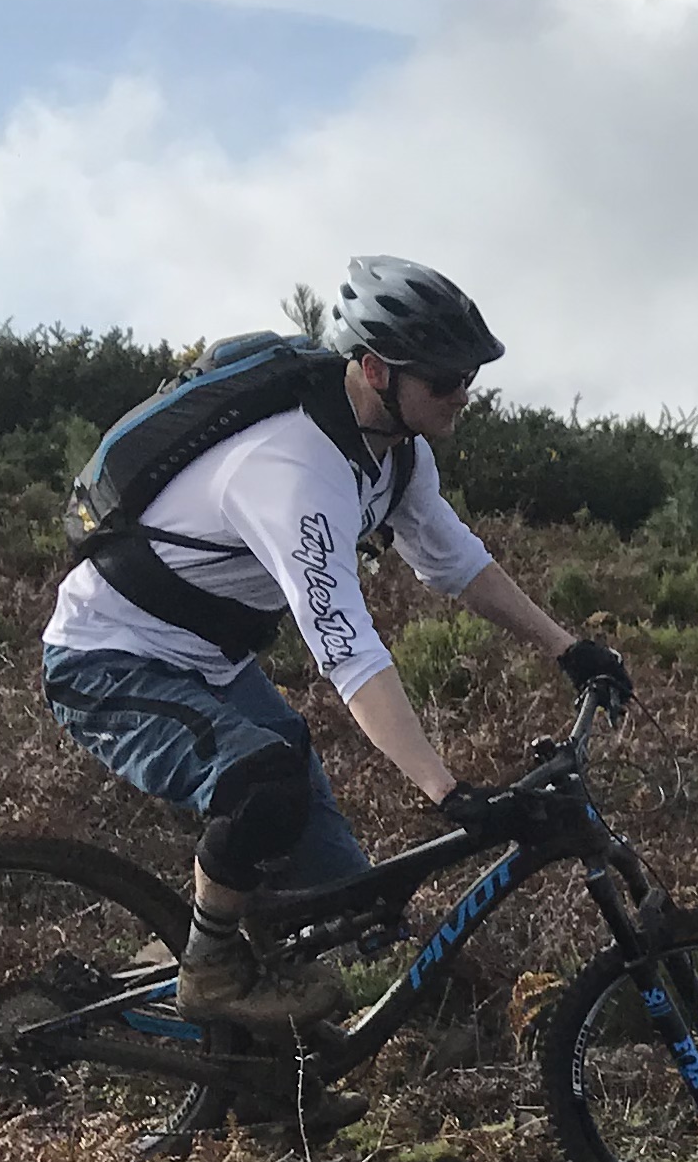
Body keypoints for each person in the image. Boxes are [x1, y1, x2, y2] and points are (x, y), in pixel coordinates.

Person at [38, 256, 630, 1027]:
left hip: (213, 660)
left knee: (344, 905)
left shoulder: (395, 451)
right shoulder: (293, 470)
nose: (463, 394)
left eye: (469, 377)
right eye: (444, 379)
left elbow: (454, 560)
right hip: (108, 660)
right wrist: (443, 789)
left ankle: (247, 1035)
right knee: (261, 785)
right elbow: (347, 646)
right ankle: (207, 971)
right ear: (378, 370)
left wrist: (568, 648)